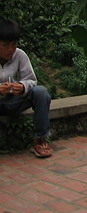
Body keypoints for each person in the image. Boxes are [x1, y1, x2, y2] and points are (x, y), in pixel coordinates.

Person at [0, 19, 53, 158]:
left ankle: (40, 140)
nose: (10, 49)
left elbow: (31, 80)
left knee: (41, 92)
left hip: (14, 101)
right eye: (5, 45)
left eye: (14, 44)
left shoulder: (20, 55)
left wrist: (23, 87)